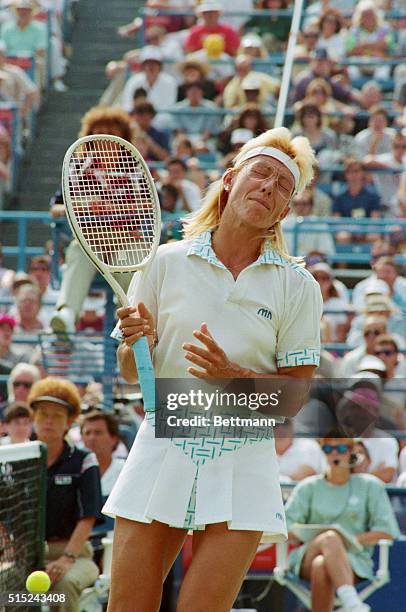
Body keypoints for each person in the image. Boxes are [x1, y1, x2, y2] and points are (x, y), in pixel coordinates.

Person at [103, 126, 322, 611]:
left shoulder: (299, 286)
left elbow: (295, 399)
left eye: (282, 186)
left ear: (284, 211)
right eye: (260, 173)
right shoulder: (164, 262)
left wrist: (231, 374)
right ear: (229, 180)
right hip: (163, 440)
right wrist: (136, 345)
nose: (268, 187)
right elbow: (129, 372)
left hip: (244, 455)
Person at [285, 431, 400, 612]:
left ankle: (350, 602)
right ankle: (352, 603)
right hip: (307, 555)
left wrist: (350, 540)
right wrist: (324, 537)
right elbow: (285, 528)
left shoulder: (370, 486)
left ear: (352, 452)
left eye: (340, 448)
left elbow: (387, 532)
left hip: (353, 560)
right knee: (329, 538)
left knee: (321, 565)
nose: (334, 454)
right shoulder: (307, 487)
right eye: (328, 449)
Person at [50, 106, 135, 334]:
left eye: (112, 134)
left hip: (126, 241)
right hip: (90, 242)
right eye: (99, 135)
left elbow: (149, 206)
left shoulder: (136, 169)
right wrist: (86, 204)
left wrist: (111, 207)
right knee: (78, 252)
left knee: (130, 260)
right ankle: (67, 316)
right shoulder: (77, 170)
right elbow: (56, 208)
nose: (105, 141)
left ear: (123, 139)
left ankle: (129, 320)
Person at [28, 377, 102, 612]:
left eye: (57, 415)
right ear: (33, 417)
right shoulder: (20, 459)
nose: (48, 421)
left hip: (77, 554)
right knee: (7, 588)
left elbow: (88, 516)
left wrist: (67, 558)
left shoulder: (84, 460)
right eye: (42, 413)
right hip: (28, 554)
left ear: (69, 421)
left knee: (63, 587)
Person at [80, 410, 125, 499]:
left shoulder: (125, 472)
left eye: (98, 432)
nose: (92, 438)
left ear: (114, 438)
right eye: (87, 433)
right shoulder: (74, 471)